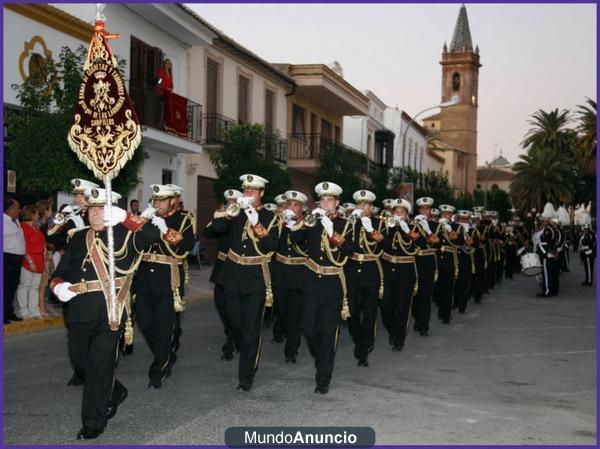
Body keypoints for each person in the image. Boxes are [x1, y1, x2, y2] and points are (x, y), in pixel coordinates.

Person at [50, 187, 163, 439]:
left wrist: (124, 217)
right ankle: (115, 391)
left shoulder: (125, 233)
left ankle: (93, 422)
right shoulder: (79, 237)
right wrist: (58, 286)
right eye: (92, 208)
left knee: (100, 367)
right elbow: (63, 269)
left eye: (101, 208)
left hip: (109, 312)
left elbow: (152, 234)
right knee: (81, 363)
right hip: (78, 310)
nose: (95, 214)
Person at [211, 174, 279, 392]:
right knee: (233, 321)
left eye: (253, 191)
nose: (248, 194)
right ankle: (246, 350)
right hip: (231, 274)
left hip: (256, 276)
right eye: (246, 190)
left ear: (261, 193)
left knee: (251, 328)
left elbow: (270, 245)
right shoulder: (235, 212)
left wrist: (255, 220)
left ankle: (246, 376)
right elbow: (214, 231)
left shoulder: (271, 217)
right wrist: (229, 215)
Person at [288, 181, 353, 394]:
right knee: (308, 327)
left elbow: (349, 249)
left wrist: (331, 228)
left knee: (327, 332)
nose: (326, 203)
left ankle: (323, 379)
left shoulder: (346, 224)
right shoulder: (312, 221)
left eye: (329, 200)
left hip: (333, 283)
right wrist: (304, 222)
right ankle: (321, 357)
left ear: (337, 203)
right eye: (323, 200)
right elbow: (296, 238)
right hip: (311, 281)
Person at [133, 184, 196, 389]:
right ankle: (165, 352)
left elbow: (185, 248)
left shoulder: (183, 220)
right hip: (144, 278)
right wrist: (141, 221)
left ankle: (158, 370)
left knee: (164, 326)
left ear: (173, 201)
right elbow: (132, 243)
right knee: (144, 321)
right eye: (155, 200)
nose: (157, 204)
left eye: (161, 200)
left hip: (168, 280)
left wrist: (164, 229)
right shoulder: (147, 218)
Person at [345, 189, 384, 367]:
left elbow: (386, 245)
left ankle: (364, 349)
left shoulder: (379, 223)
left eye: (366, 205)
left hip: (370, 270)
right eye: (360, 204)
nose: (363, 208)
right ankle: (360, 338)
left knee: (369, 312)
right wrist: (351, 222)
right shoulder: (350, 223)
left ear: (371, 207)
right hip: (352, 269)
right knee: (350, 311)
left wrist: (370, 229)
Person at [203, 188, 242, 361]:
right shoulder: (223, 216)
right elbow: (208, 233)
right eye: (229, 202)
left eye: (235, 202)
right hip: (221, 268)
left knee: (235, 309)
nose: (231, 205)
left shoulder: (244, 217)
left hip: (239, 269)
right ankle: (231, 336)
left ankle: (234, 341)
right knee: (222, 306)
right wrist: (219, 217)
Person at [272, 190, 309, 363]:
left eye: (296, 205)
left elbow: (301, 243)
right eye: (289, 205)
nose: (291, 208)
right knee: (281, 310)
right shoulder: (278, 223)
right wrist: (281, 224)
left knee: (294, 313)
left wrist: (290, 225)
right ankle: (290, 334)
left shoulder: (308, 224)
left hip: (299, 274)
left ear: (302, 208)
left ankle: (291, 348)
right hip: (280, 272)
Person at [380, 198, 418, 351]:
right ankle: (392, 331)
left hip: (405, 271)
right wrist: (389, 228)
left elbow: (421, 243)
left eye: (402, 213)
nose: (398, 215)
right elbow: (381, 244)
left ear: (407, 215)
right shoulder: (386, 227)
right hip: (388, 270)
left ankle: (399, 340)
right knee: (386, 307)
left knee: (402, 307)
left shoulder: (413, 228)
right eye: (396, 212)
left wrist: (406, 229)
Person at [410, 197, 439, 336]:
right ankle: (417, 318)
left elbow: (437, 243)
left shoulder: (435, 226)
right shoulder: (411, 225)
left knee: (426, 295)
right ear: (418, 210)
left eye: (427, 209)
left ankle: (424, 326)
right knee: (415, 295)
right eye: (422, 209)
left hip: (428, 261)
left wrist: (428, 230)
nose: (425, 211)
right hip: (414, 261)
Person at [15, 205, 45, 319]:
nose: (38, 215)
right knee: (25, 285)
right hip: (28, 261)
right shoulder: (23, 227)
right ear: (31, 214)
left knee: (34, 287)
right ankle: (23, 309)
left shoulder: (35, 227)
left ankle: (33, 309)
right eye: (37, 213)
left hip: (39, 260)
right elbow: (24, 245)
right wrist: (30, 260)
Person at [434, 204, 462, 324]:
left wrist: (450, 230)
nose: (445, 215)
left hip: (450, 260)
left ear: (452, 215)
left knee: (448, 288)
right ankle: (441, 307)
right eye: (443, 214)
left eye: (448, 214)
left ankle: (446, 314)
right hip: (437, 260)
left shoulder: (457, 227)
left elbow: (460, 242)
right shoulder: (436, 226)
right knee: (437, 289)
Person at [4, 197, 25, 324]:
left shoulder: (15, 221)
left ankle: (9, 311)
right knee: (6, 287)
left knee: (12, 287)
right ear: (10, 208)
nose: (19, 210)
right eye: (17, 207)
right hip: (7, 257)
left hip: (17, 258)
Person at [453, 210, 475, 314]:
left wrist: (470, 242)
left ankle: (462, 306)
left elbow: (475, 247)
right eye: (461, 219)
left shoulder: (472, 231)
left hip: (465, 260)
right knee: (454, 284)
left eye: (466, 219)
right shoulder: (453, 229)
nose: (463, 221)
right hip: (453, 258)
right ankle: (455, 302)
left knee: (463, 284)